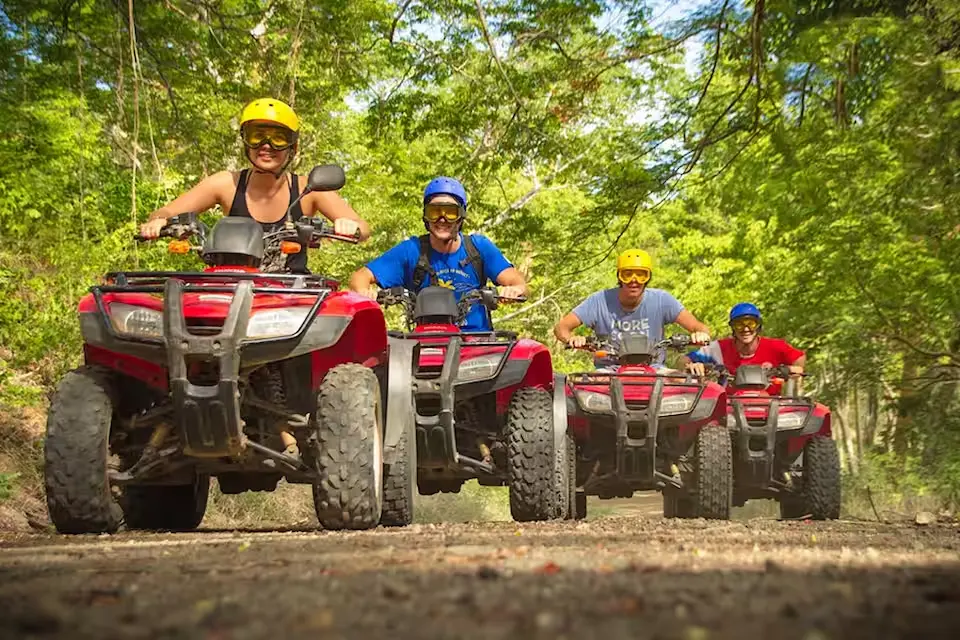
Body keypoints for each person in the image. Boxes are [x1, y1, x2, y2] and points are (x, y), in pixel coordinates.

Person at [138, 97, 369, 273]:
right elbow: (165, 212)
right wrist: (159, 221)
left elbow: (364, 228)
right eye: (257, 136)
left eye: (278, 138)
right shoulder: (226, 184)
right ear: (245, 142)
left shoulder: (308, 189)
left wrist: (348, 225)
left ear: (293, 147)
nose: (266, 145)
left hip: (294, 295)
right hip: (230, 286)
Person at [349, 177, 527, 331]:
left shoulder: (478, 247)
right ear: (425, 216)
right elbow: (360, 277)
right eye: (434, 212)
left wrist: (515, 290)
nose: (442, 219)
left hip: (477, 342)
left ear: (461, 216)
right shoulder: (411, 250)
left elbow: (517, 281)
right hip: (428, 341)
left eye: (450, 212)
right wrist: (365, 292)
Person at [553, 249, 711, 369]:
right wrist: (573, 340)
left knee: (683, 385)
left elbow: (700, 327)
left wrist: (700, 334)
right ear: (619, 276)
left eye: (641, 275)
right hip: (609, 371)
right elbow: (561, 328)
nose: (633, 281)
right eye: (627, 275)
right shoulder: (599, 301)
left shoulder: (662, 300)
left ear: (648, 278)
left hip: (655, 370)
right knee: (578, 392)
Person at [684, 302, 805, 393]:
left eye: (751, 324)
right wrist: (693, 366)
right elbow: (684, 361)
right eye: (739, 325)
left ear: (758, 326)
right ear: (732, 328)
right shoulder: (718, 348)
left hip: (771, 404)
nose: (746, 329)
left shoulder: (775, 346)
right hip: (729, 406)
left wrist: (790, 370)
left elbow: (799, 358)